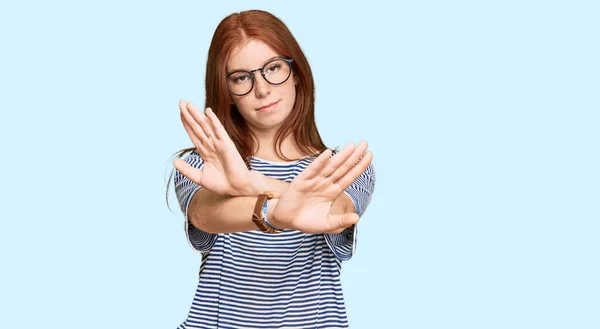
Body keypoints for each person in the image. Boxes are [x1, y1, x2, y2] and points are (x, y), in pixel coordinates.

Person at [168, 9, 376, 329]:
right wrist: (273, 213)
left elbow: (336, 211)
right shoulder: (203, 163)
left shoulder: (344, 168)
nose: (262, 89)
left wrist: (249, 181)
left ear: (296, 72)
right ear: (227, 92)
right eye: (241, 77)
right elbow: (205, 215)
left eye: (273, 68)